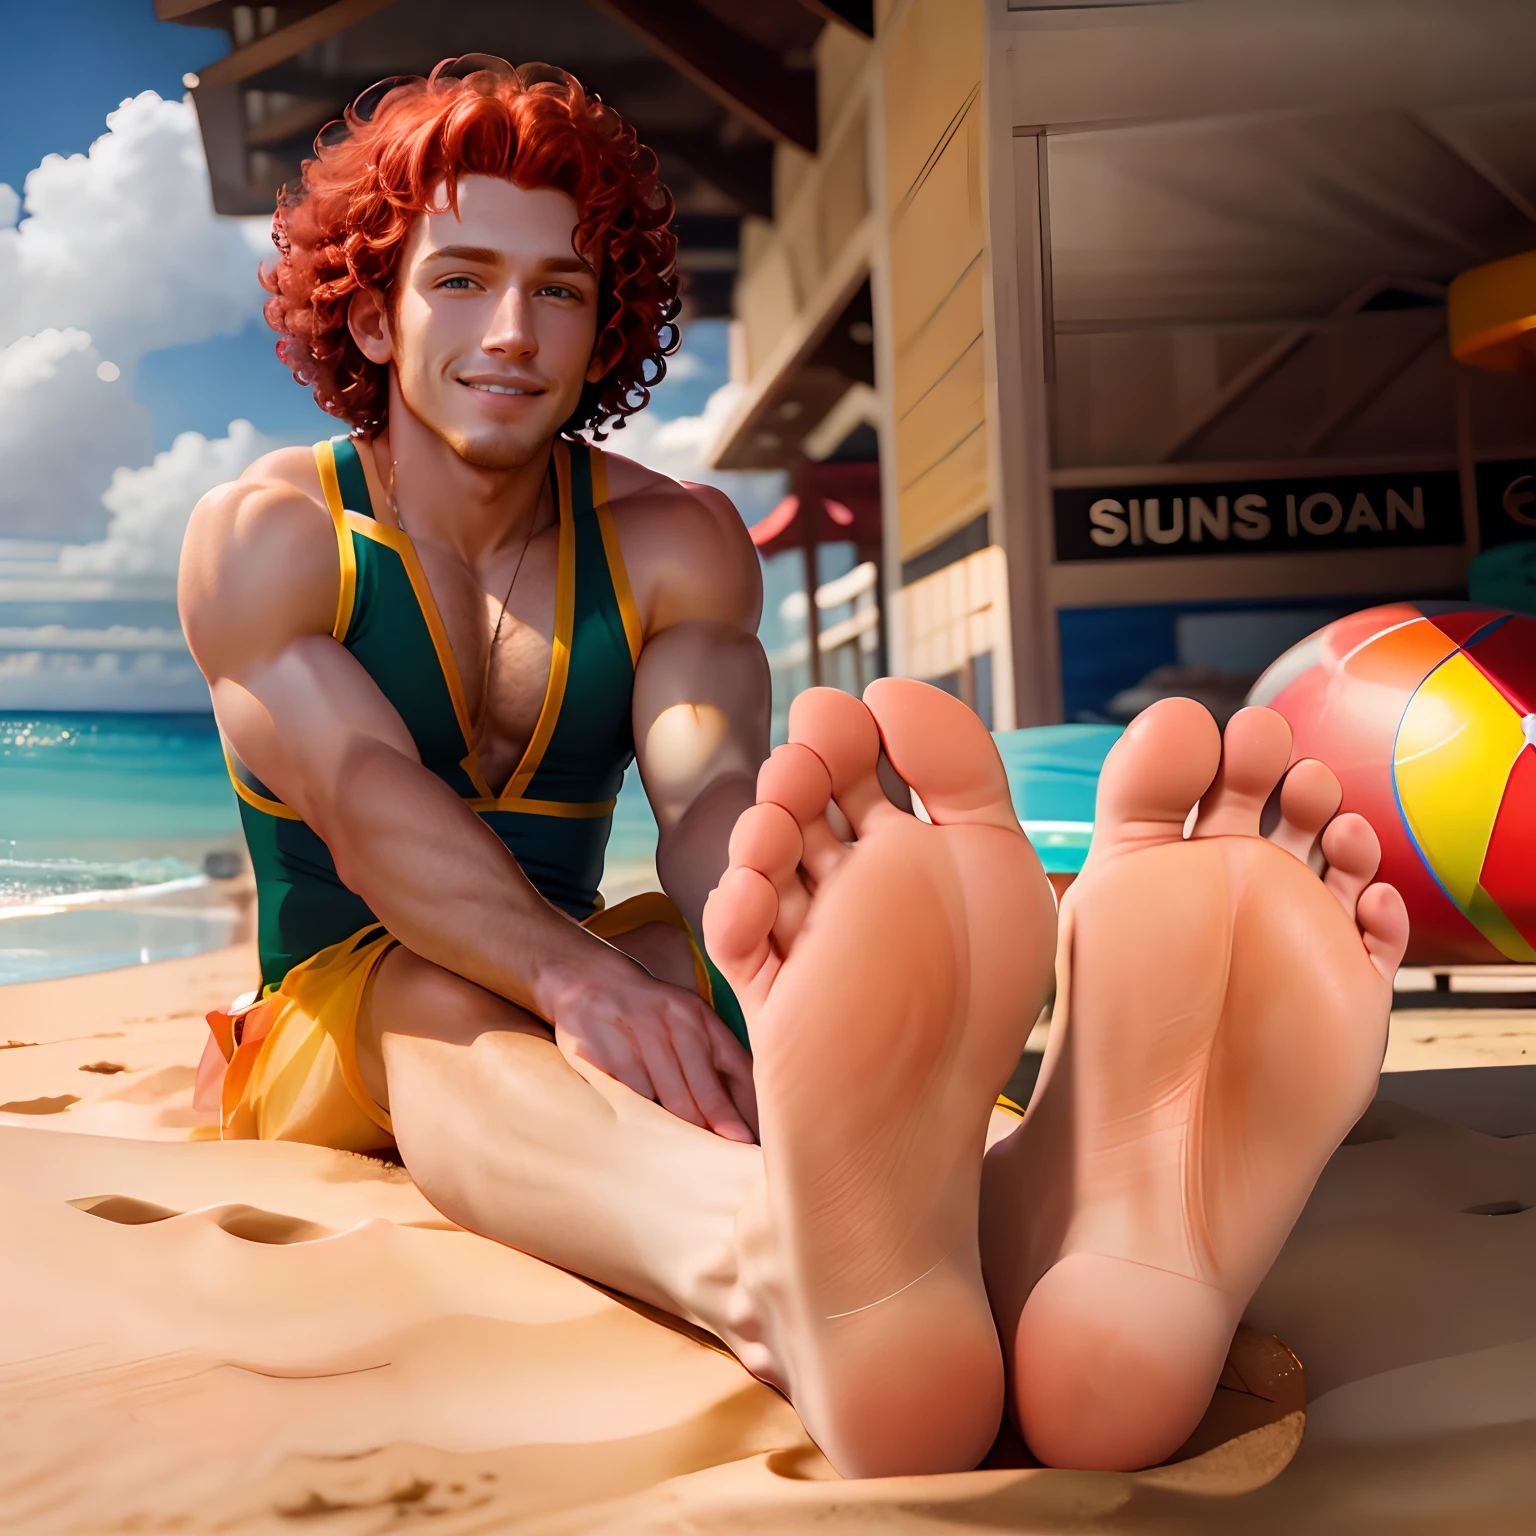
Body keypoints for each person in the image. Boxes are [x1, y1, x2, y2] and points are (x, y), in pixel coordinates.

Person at [180, 57, 1410, 1478]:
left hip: (586, 946)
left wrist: (768, 941)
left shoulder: (668, 543)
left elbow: (707, 794)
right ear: (368, 304)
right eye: (460, 278)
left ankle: (1029, 1207)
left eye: (561, 290)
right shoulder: (272, 538)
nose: (511, 331)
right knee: (432, 992)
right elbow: (368, 806)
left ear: (607, 322)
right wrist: (574, 982)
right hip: (332, 1007)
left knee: (710, 970)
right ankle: (763, 1255)